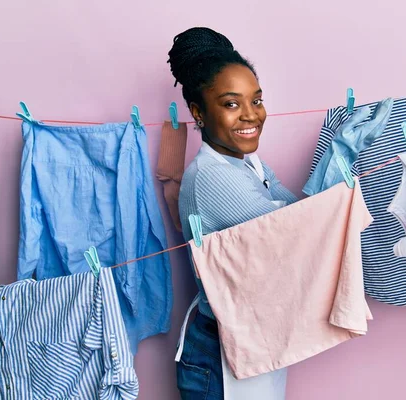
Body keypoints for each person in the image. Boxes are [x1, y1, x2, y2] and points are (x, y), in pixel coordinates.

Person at [168, 27, 298, 400]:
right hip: (220, 353)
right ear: (198, 113)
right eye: (231, 103)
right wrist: (337, 171)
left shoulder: (248, 164)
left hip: (253, 337)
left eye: (256, 100)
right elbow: (297, 232)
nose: (250, 115)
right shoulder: (211, 176)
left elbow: (296, 212)